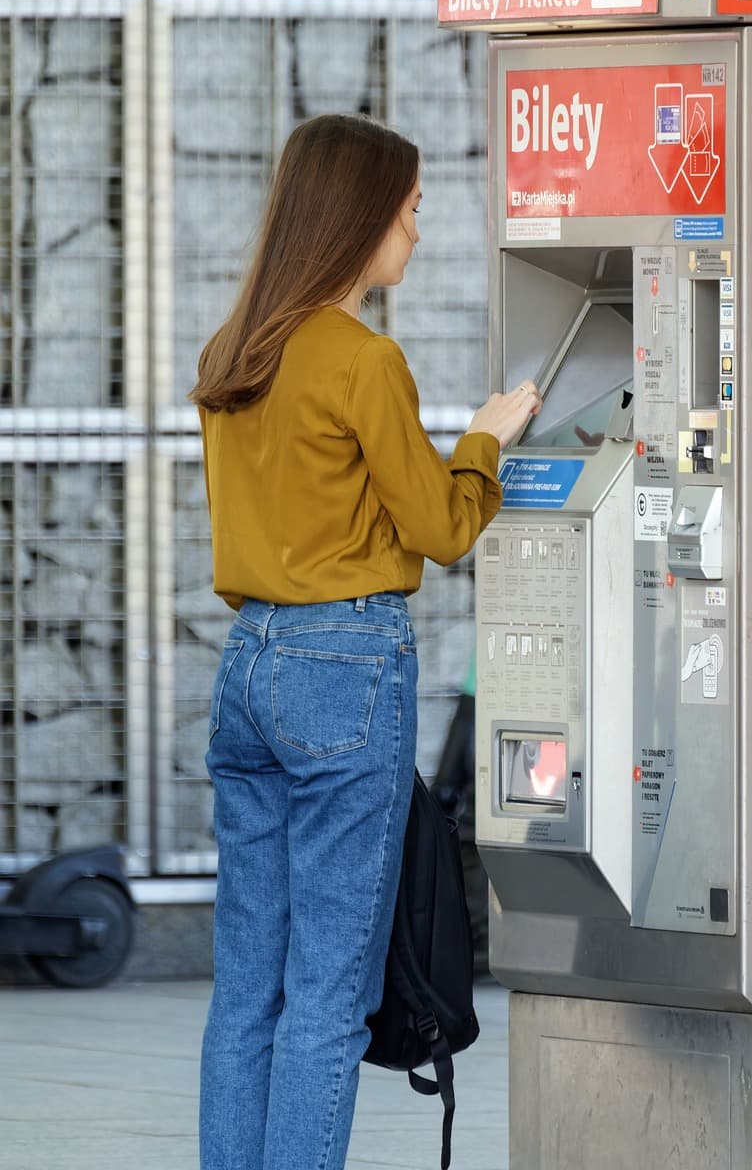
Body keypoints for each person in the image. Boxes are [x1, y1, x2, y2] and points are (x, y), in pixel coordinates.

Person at [189, 112, 541, 1170]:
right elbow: (439, 529)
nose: (418, 233)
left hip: (248, 664)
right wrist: (486, 439)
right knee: (331, 993)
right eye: (411, 209)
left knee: (249, 984)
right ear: (359, 217)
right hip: (344, 670)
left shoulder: (235, 348)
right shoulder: (362, 358)